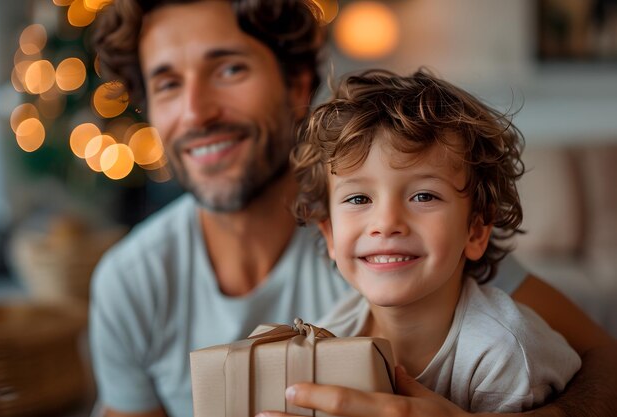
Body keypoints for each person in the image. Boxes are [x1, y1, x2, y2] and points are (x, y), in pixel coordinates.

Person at [88, 1, 616, 417]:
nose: (196, 110)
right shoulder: (129, 281)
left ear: (297, 84)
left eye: (228, 68)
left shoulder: (435, 259)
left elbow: (605, 362)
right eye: (167, 83)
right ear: (328, 232)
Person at [270, 68, 580, 413]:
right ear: (330, 235)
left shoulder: (505, 354)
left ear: (475, 230)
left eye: (423, 196)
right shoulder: (331, 334)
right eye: (359, 199)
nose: (386, 224)